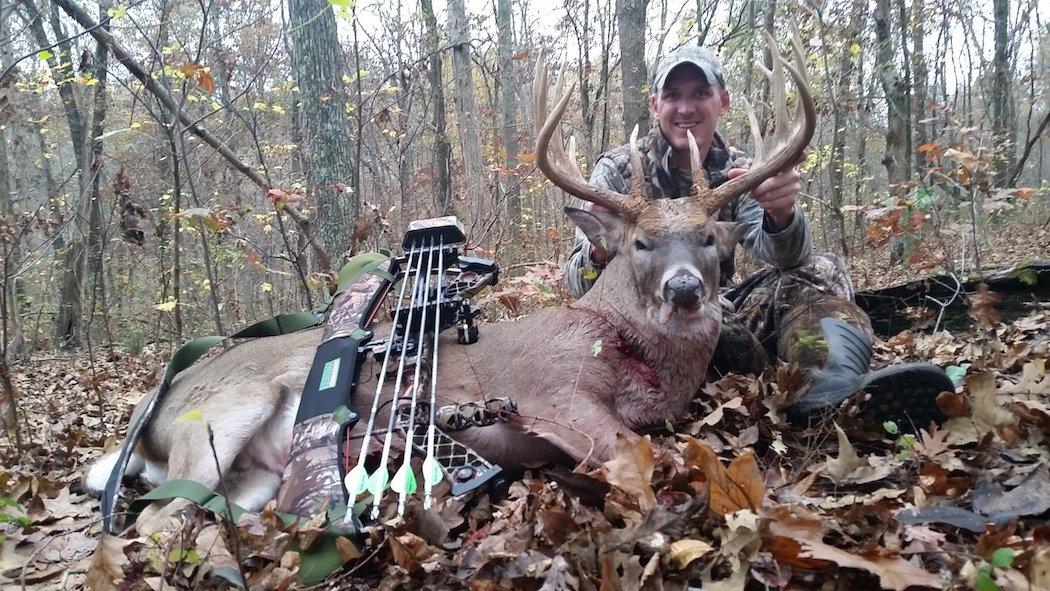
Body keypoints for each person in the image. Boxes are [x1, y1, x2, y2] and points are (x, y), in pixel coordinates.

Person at [563, 45, 952, 428]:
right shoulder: (619, 173)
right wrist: (600, 248)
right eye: (673, 95)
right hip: (643, 328)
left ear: (723, 101)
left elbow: (789, 259)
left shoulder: (744, 172)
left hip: (715, 314)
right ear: (654, 105)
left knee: (822, 270)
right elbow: (581, 287)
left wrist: (782, 213)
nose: (685, 108)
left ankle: (830, 388)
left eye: (700, 93)